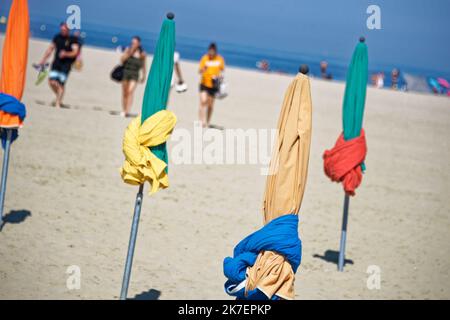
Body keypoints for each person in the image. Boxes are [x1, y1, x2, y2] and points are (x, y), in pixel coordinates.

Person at [37, 22, 80, 108]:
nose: (63, 31)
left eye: (65, 30)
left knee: (61, 84)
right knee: (51, 82)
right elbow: (50, 49)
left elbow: (75, 52)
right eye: (62, 29)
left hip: (66, 65)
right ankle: (58, 97)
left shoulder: (72, 39)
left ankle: (58, 103)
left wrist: (66, 54)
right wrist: (43, 60)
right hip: (56, 63)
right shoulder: (57, 37)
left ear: (68, 30)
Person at [198, 43, 225, 128]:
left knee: (210, 105)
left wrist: (220, 77)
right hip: (204, 83)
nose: (211, 53)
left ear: (215, 51)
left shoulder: (219, 59)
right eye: (210, 51)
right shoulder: (205, 58)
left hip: (214, 85)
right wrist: (204, 69)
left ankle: (207, 121)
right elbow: (199, 71)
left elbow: (222, 70)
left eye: (213, 51)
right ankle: (201, 121)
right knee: (203, 101)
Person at [120, 36, 146, 117]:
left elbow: (144, 66)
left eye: (135, 43)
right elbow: (122, 60)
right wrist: (130, 53)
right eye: (132, 43)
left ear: (139, 43)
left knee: (130, 92)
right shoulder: (128, 50)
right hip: (126, 72)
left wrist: (144, 76)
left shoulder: (142, 54)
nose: (133, 44)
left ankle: (127, 110)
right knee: (125, 92)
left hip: (135, 74)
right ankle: (124, 109)